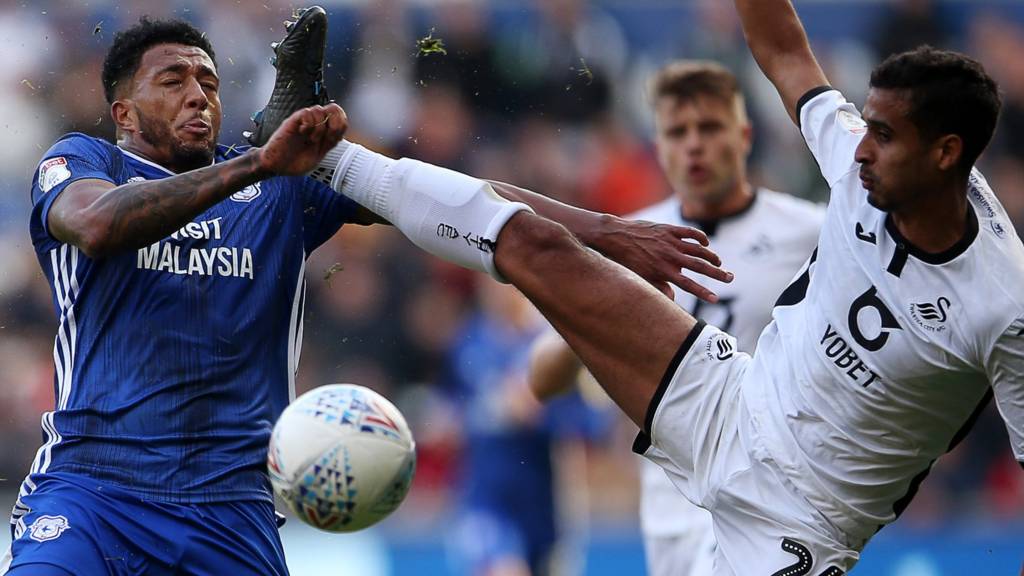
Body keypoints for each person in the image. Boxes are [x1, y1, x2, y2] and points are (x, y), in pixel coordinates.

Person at [306, 2, 1024, 574]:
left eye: (885, 136)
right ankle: (329, 160)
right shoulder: (856, 163)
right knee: (540, 244)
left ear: (946, 153)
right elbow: (783, 48)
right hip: (728, 400)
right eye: (864, 127)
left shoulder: (1006, 305)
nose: (859, 147)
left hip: (800, 521)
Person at [2, 12, 727, 576]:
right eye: (173, 81)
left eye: (210, 81)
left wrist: (605, 230)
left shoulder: (278, 190)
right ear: (124, 112)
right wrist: (262, 160)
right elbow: (97, 228)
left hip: (229, 509)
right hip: (93, 490)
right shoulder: (84, 161)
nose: (199, 95)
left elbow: (449, 196)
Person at [528, 61, 824, 576]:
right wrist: (596, 305)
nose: (694, 145)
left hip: (775, 495)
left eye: (709, 128)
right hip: (672, 506)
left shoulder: (812, 234)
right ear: (659, 145)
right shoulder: (630, 242)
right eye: (677, 132)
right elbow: (540, 381)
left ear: (745, 135)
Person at [443, 280, 611, 576]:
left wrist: (542, 414)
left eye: (505, 283)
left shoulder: (554, 349)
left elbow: (593, 424)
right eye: (489, 283)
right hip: (487, 500)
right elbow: (453, 410)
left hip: (546, 506)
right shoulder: (468, 342)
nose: (496, 291)